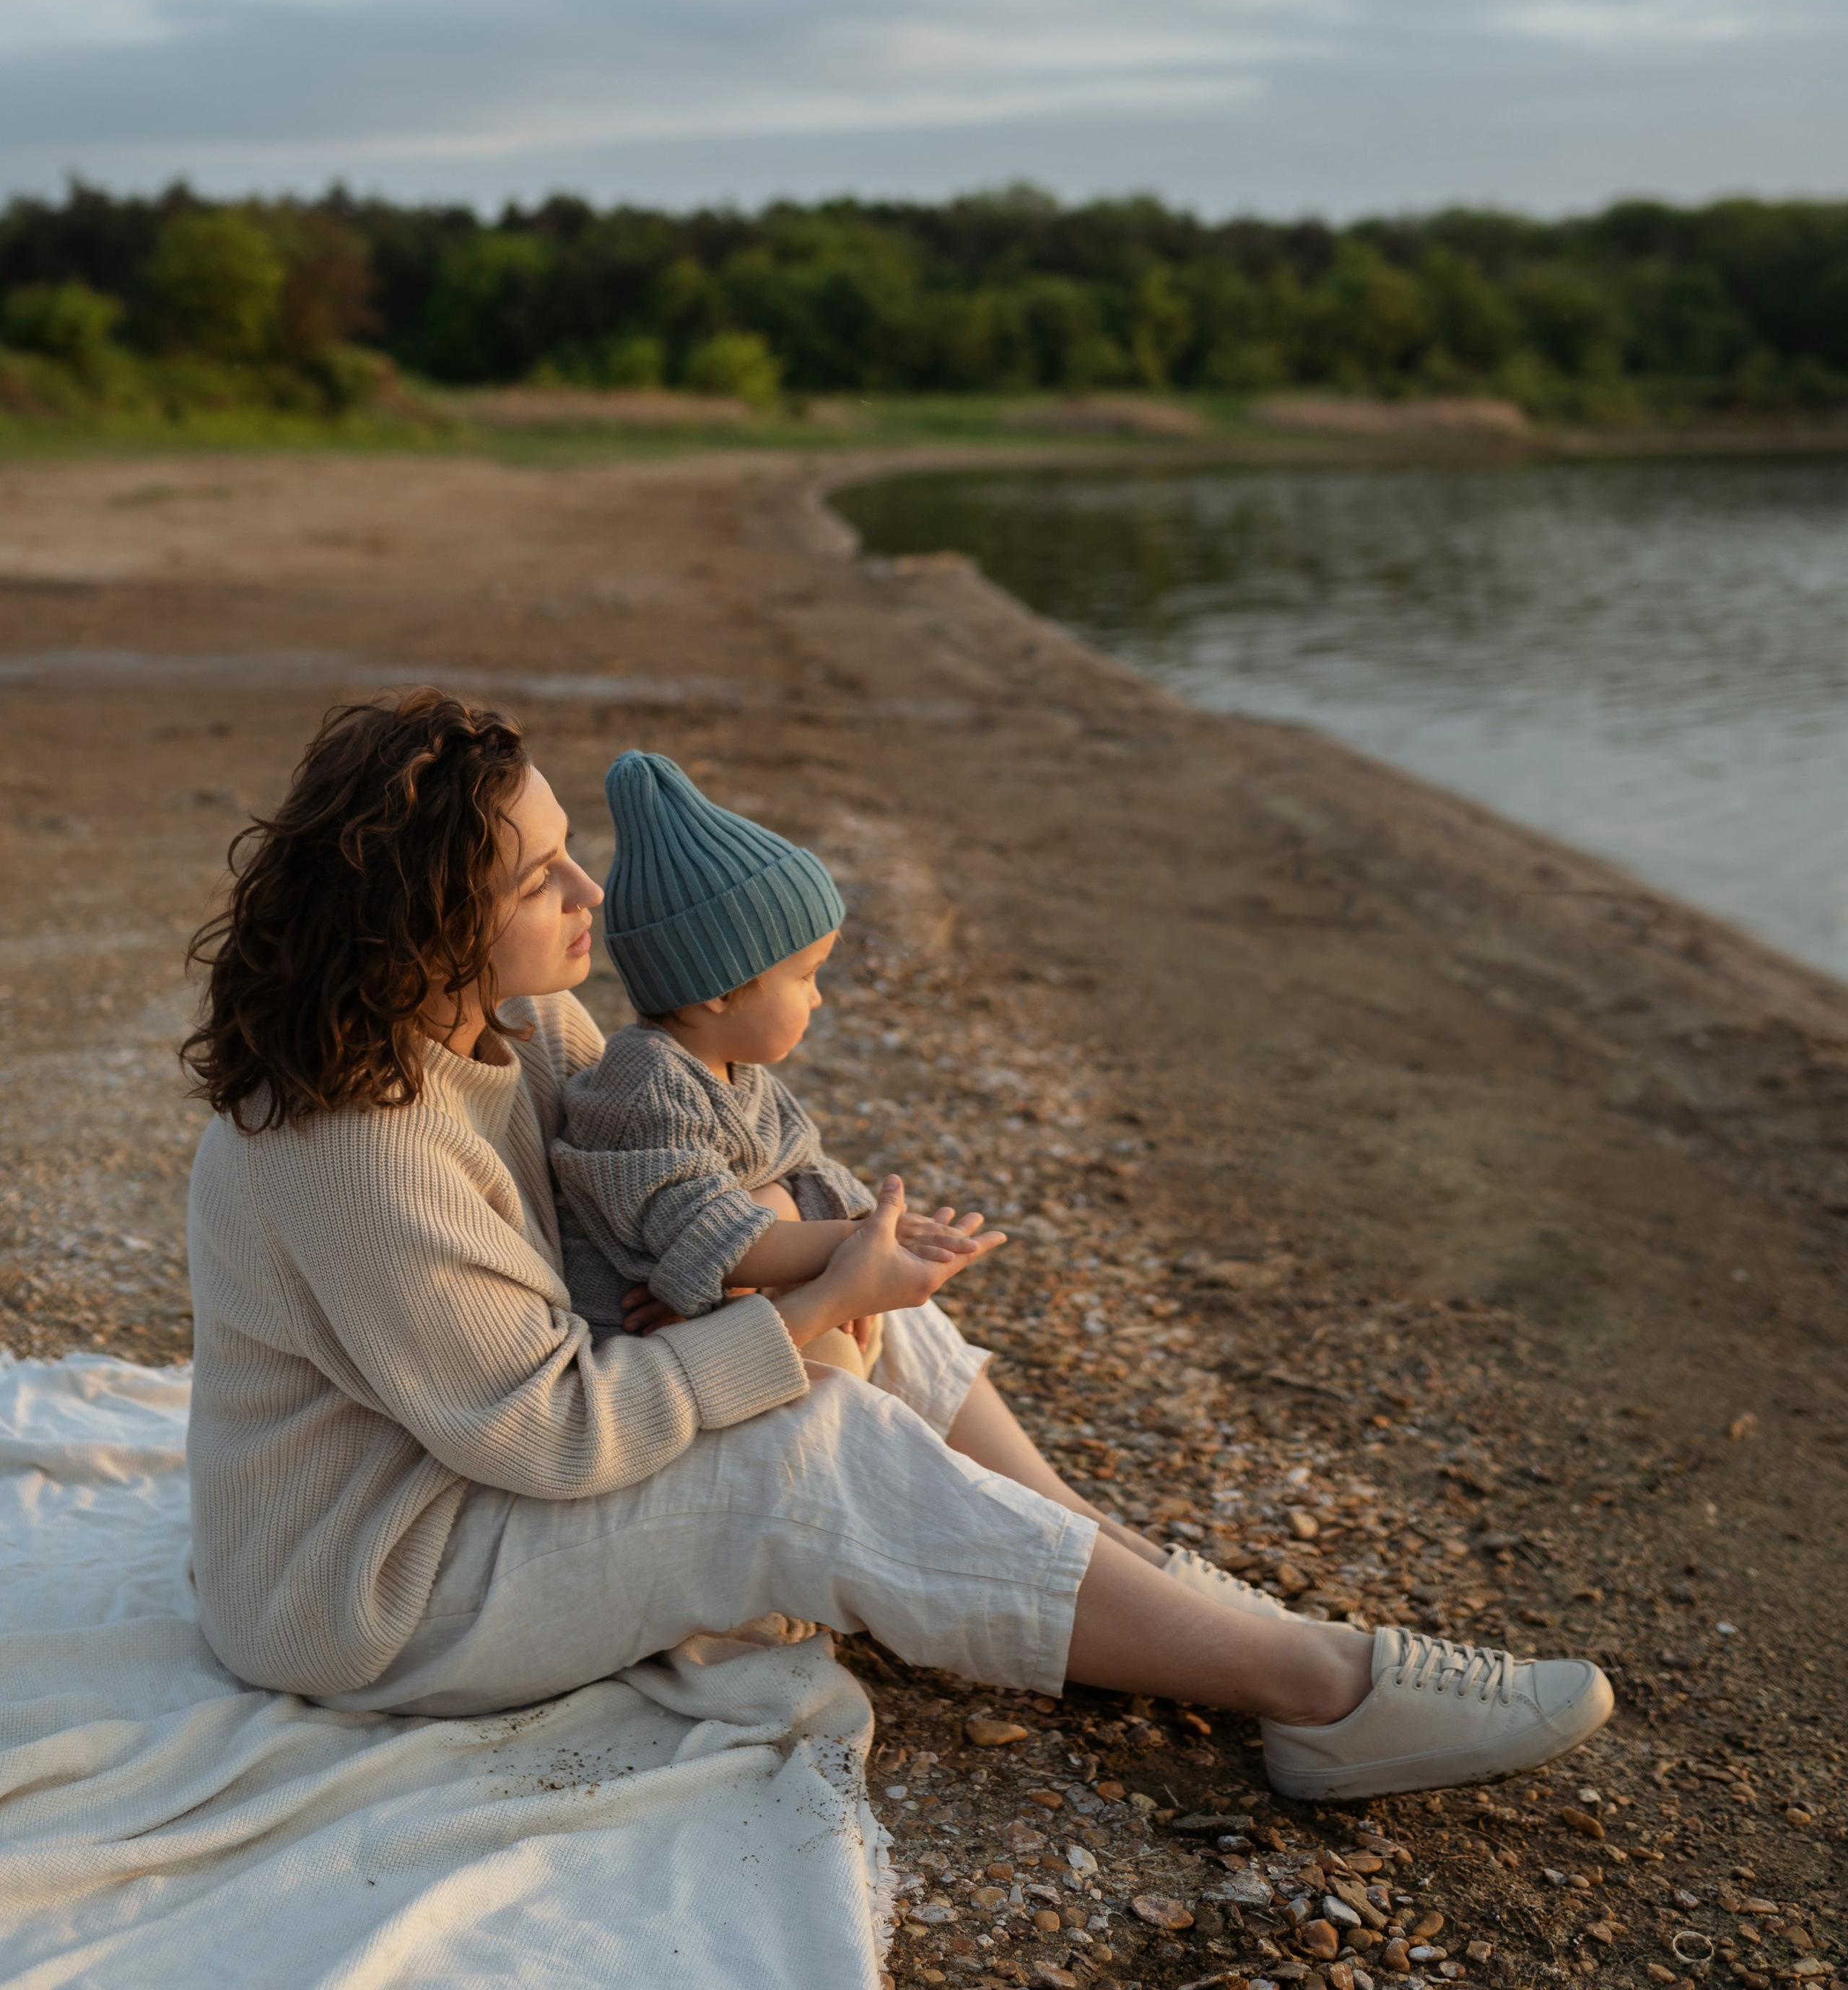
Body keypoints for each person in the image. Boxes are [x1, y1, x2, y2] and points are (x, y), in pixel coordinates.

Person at [182, 686, 1613, 1801]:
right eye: (538, 879)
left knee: (845, 1256)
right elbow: (547, 1430)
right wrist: (801, 1317)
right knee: (810, 1448)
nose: (588, 896)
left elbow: (638, 1213)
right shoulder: (351, 1143)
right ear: (427, 921)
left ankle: (1119, 1561)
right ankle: (1322, 1694)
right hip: (379, 1589)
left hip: (482, 1472)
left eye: (571, 855)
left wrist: (824, 1267)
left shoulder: (509, 1023)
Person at [551, 749, 992, 1389]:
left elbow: (808, 1169)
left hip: (724, 1320)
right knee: (836, 1355)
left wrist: (867, 1233)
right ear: (719, 989)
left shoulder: (734, 1072)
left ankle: (1022, 1466)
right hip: (652, 1365)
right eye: (806, 976)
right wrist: (856, 1247)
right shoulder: (645, 1084)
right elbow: (706, 1236)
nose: (818, 998)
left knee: (899, 1323)